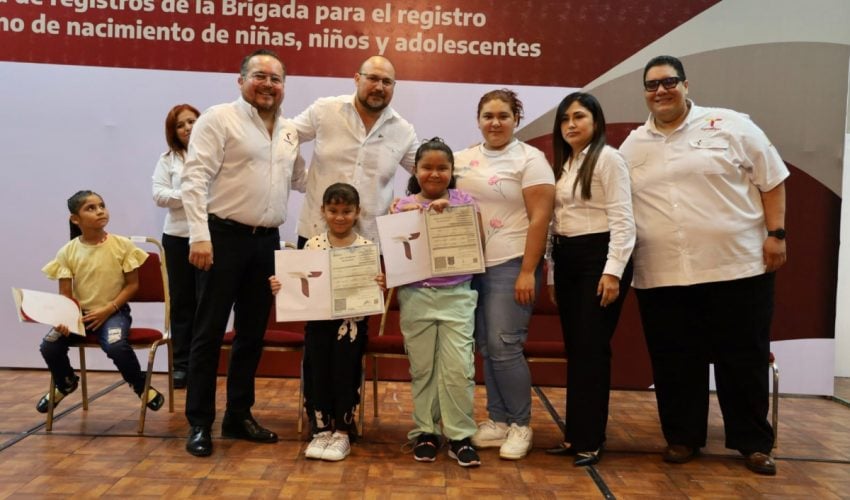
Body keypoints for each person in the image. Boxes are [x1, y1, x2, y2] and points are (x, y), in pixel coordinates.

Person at [619, 55, 788, 476]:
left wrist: (777, 233)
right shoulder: (631, 146)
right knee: (674, 361)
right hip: (663, 273)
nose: (661, 91)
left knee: (743, 359)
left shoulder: (732, 125)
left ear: (685, 85)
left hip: (738, 267)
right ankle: (682, 437)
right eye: (652, 85)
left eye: (668, 82)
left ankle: (753, 443)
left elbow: (772, 179)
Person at [180, 49, 305, 457]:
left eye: (276, 79)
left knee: (251, 334)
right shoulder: (219, 118)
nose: (268, 84)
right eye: (259, 76)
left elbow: (303, 179)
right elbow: (194, 178)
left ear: (284, 86)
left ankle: (238, 414)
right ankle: (200, 422)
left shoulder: (289, 131)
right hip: (221, 238)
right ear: (241, 81)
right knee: (209, 333)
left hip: (267, 242)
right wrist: (199, 236)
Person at [291, 54, 418, 433]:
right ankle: (318, 417)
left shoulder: (403, 130)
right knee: (317, 334)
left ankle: (345, 418)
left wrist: (414, 205)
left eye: (387, 82)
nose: (379, 87)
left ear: (394, 88)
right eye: (373, 78)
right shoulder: (324, 110)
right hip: (316, 238)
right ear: (356, 78)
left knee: (352, 337)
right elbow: (282, 139)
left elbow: (429, 171)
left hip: (366, 248)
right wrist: (300, 180)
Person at [454, 89, 555, 460]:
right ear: (478, 119)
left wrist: (528, 270)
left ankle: (521, 424)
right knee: (486, 347)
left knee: (505, 346)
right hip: (469, 267)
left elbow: (541, 218)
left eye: (503, 116)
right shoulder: (461, 159)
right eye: (488, 116)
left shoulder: (531, 159)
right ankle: (497, 420)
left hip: (511, 263)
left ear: (516, 119)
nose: (495, 123)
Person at [542, 93, 635, 466]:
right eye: (565, 119)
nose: (571, 124)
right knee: (577, 349)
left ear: (596, 121)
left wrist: (612, 272)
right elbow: (556, 223)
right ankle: (575, 436)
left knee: (592, 349)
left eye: (579, 117)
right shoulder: (564, 164)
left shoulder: (609, 159)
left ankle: (591, 439)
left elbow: (624, 221)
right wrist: (552, 273)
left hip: (600, 258)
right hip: (567, 258)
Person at [270, 183, 385, 462]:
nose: (340, 217)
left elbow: (371, 290)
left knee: (345, 374)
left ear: (358, 212)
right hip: (319, 325)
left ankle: (343, 431)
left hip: (352, 325)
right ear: (323, 211)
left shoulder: (366, 248)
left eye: (347, 211)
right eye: (333, 210)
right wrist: (281, 286)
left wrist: (378, 284)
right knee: (317, 372)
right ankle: (321, 429)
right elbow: (299, 282)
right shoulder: (313, 245)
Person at [393, 138, 482, 468]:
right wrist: (405, 219)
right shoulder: (401, 206)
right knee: (423, 368)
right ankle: (425, 432)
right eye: (427, 167)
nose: (434, 173)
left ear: (452, 170)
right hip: (415, 296)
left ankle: (460, 435)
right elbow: (394, 251)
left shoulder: (464, 201)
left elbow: (477, 243)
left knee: (459, 368)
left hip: (457, 294)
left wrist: (453, 215)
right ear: (415, 170)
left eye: (442, 168)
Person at [36, 190, 165, 414]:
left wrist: (108, 309)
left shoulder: (122, 245)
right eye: (91, 208)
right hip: (80, 316)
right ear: (75, 219)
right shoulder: (67, 251)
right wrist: (64, 319)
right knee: (49, 345)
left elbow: (132, 286)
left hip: (114, 312)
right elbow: (65, 295)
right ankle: (66, 382)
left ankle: (140, 386)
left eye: (102, 206)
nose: (100, 211)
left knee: (115, 345)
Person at [152, 103, 201, 389]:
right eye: (180, 125)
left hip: (209, 237)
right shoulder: (167, 159)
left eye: (192, 121)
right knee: (182, 302)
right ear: (173, 131)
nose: (187, 128)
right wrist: (191, 194)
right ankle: (181, 364)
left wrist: (181, 195)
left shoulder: (216, 154)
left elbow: (220, 195)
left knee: (207, 302)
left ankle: (202, 363)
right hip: (177, 237)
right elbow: (159, 195)